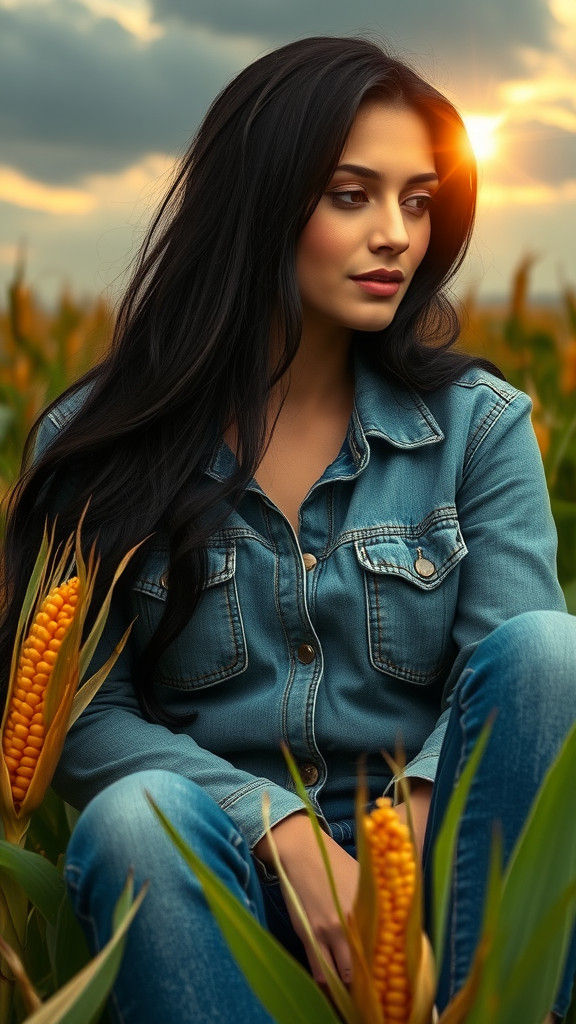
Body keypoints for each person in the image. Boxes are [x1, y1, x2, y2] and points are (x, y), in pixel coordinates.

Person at [1, 33, 575, 1024]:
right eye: (352, 195)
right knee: (135, 820)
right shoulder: (99, 444)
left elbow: (520, 685)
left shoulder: (481, 429)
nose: (396, 235)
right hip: (224, 881)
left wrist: (391, 876)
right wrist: (283, 834)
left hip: (442, 894)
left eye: (418, 201)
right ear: (260, 199)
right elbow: (82, 714)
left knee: (551, 651)